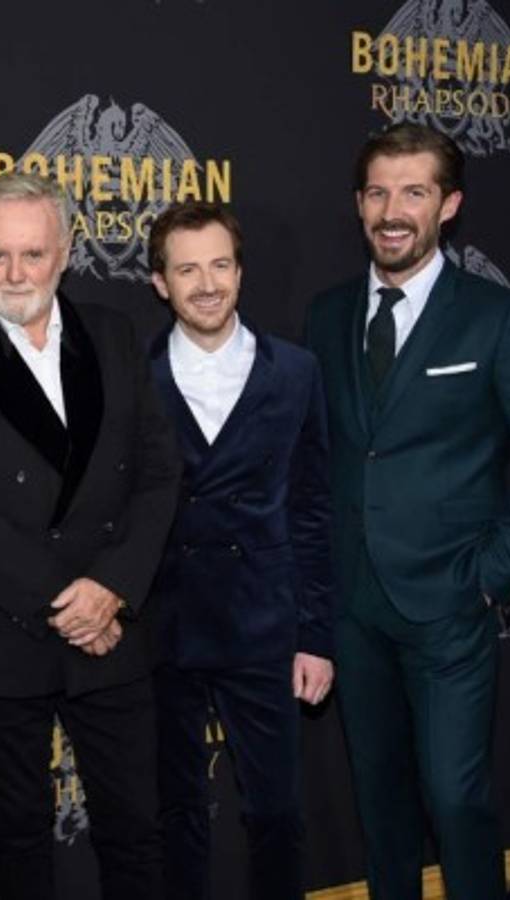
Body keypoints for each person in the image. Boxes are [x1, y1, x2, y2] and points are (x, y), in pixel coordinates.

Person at [0, 171, 180, 899]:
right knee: (18, 838)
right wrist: (69, 600)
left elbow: (158, 475)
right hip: (6, 633)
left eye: (32, 254)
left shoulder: (115, 335)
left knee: (134, 829)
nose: (14, 272)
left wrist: (112, 589)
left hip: (112, 631)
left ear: (64, 251)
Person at [306, 122, 510, 899]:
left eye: (413, 192)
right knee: (380, 803)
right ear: (359, 203)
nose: (391, 211)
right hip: (353, 608)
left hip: (449, 607)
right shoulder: (325, 316)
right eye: (377, 191)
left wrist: (489, 572)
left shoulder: (494, 317)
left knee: (457, 801)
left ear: (449, 205)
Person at [145, 202, 334, 899]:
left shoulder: (295, 372)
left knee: (277, 813)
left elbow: (312, 509)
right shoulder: (133, 377)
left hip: (263, 623)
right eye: (186, 268)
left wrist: (314, 634)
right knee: (174, 813)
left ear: (239, 272)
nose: (205, 283)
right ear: (159, 283)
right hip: (163, 627)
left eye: (218, 265)